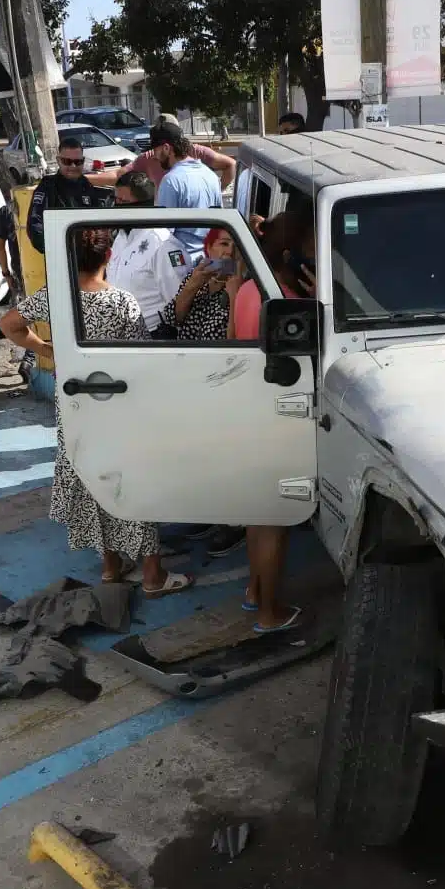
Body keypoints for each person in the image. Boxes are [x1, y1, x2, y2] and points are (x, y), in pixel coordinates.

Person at [0, 228, 195, 598]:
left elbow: (8, 324)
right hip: (116, 402)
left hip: (73, 402)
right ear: (108, 258)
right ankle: (152, 575)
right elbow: (140, 357)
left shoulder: (56, 297)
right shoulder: (122, 301)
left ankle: (110, 567)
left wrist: (48, 350)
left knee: (89, 474)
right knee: (131, 482)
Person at [230, 206, 316, 634]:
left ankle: (253, 592)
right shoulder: (288, 302)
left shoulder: (248, 289)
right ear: (290, 256)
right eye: (309, 248)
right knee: (275, 521)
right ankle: (269, 613)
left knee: (257, 516)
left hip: (249, 409)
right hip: (278, 412)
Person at [107, 170, 192, 336]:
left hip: (152, 337)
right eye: (115, 200)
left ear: (142, 204)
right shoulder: (122, 236)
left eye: (123, 201)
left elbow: (180, 301)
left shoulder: (163, 245)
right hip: (120, 336)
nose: (117, 206)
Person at [87, 113, 237, 190]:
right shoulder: (149, 158)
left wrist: (218, 191)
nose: (156, 153)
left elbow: (230, 164)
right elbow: (117, 175)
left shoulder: (198, 152)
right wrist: (84, 178)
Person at [28, 134, 112, 254]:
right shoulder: (48, 187)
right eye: (67, 161)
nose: (73, 166)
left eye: (78, 162)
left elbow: (99, 223)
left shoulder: (86, 185)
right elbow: (35, 228)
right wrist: (61, 251)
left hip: (89, 258)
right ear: (58, 161)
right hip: (62, 259)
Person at [152, 122, 223, 258]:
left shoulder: (171, 180)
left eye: (155, 150)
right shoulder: (210, 175)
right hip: (209, 261)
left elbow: (164, 234)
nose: (155, 156)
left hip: (184, 265)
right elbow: (218, 223)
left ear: (166, 148)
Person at [172, 228, 236, 341]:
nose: (230, 251)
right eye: (224, 244)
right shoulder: (196, 277)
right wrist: (192, 286)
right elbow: (175, 319)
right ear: (209, 248)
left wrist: (235, 296)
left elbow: (235, 341)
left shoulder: (241, 288)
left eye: (237, 247)